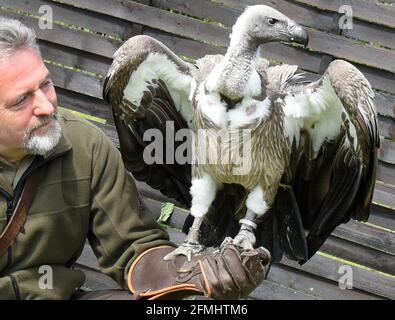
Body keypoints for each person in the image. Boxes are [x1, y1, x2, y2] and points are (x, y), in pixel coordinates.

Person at [0, 17, 271, 300]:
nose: (46, 106)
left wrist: (194, 273)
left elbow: (135, 247)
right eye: (21, 100)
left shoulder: (84, 146)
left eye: (45, 85)